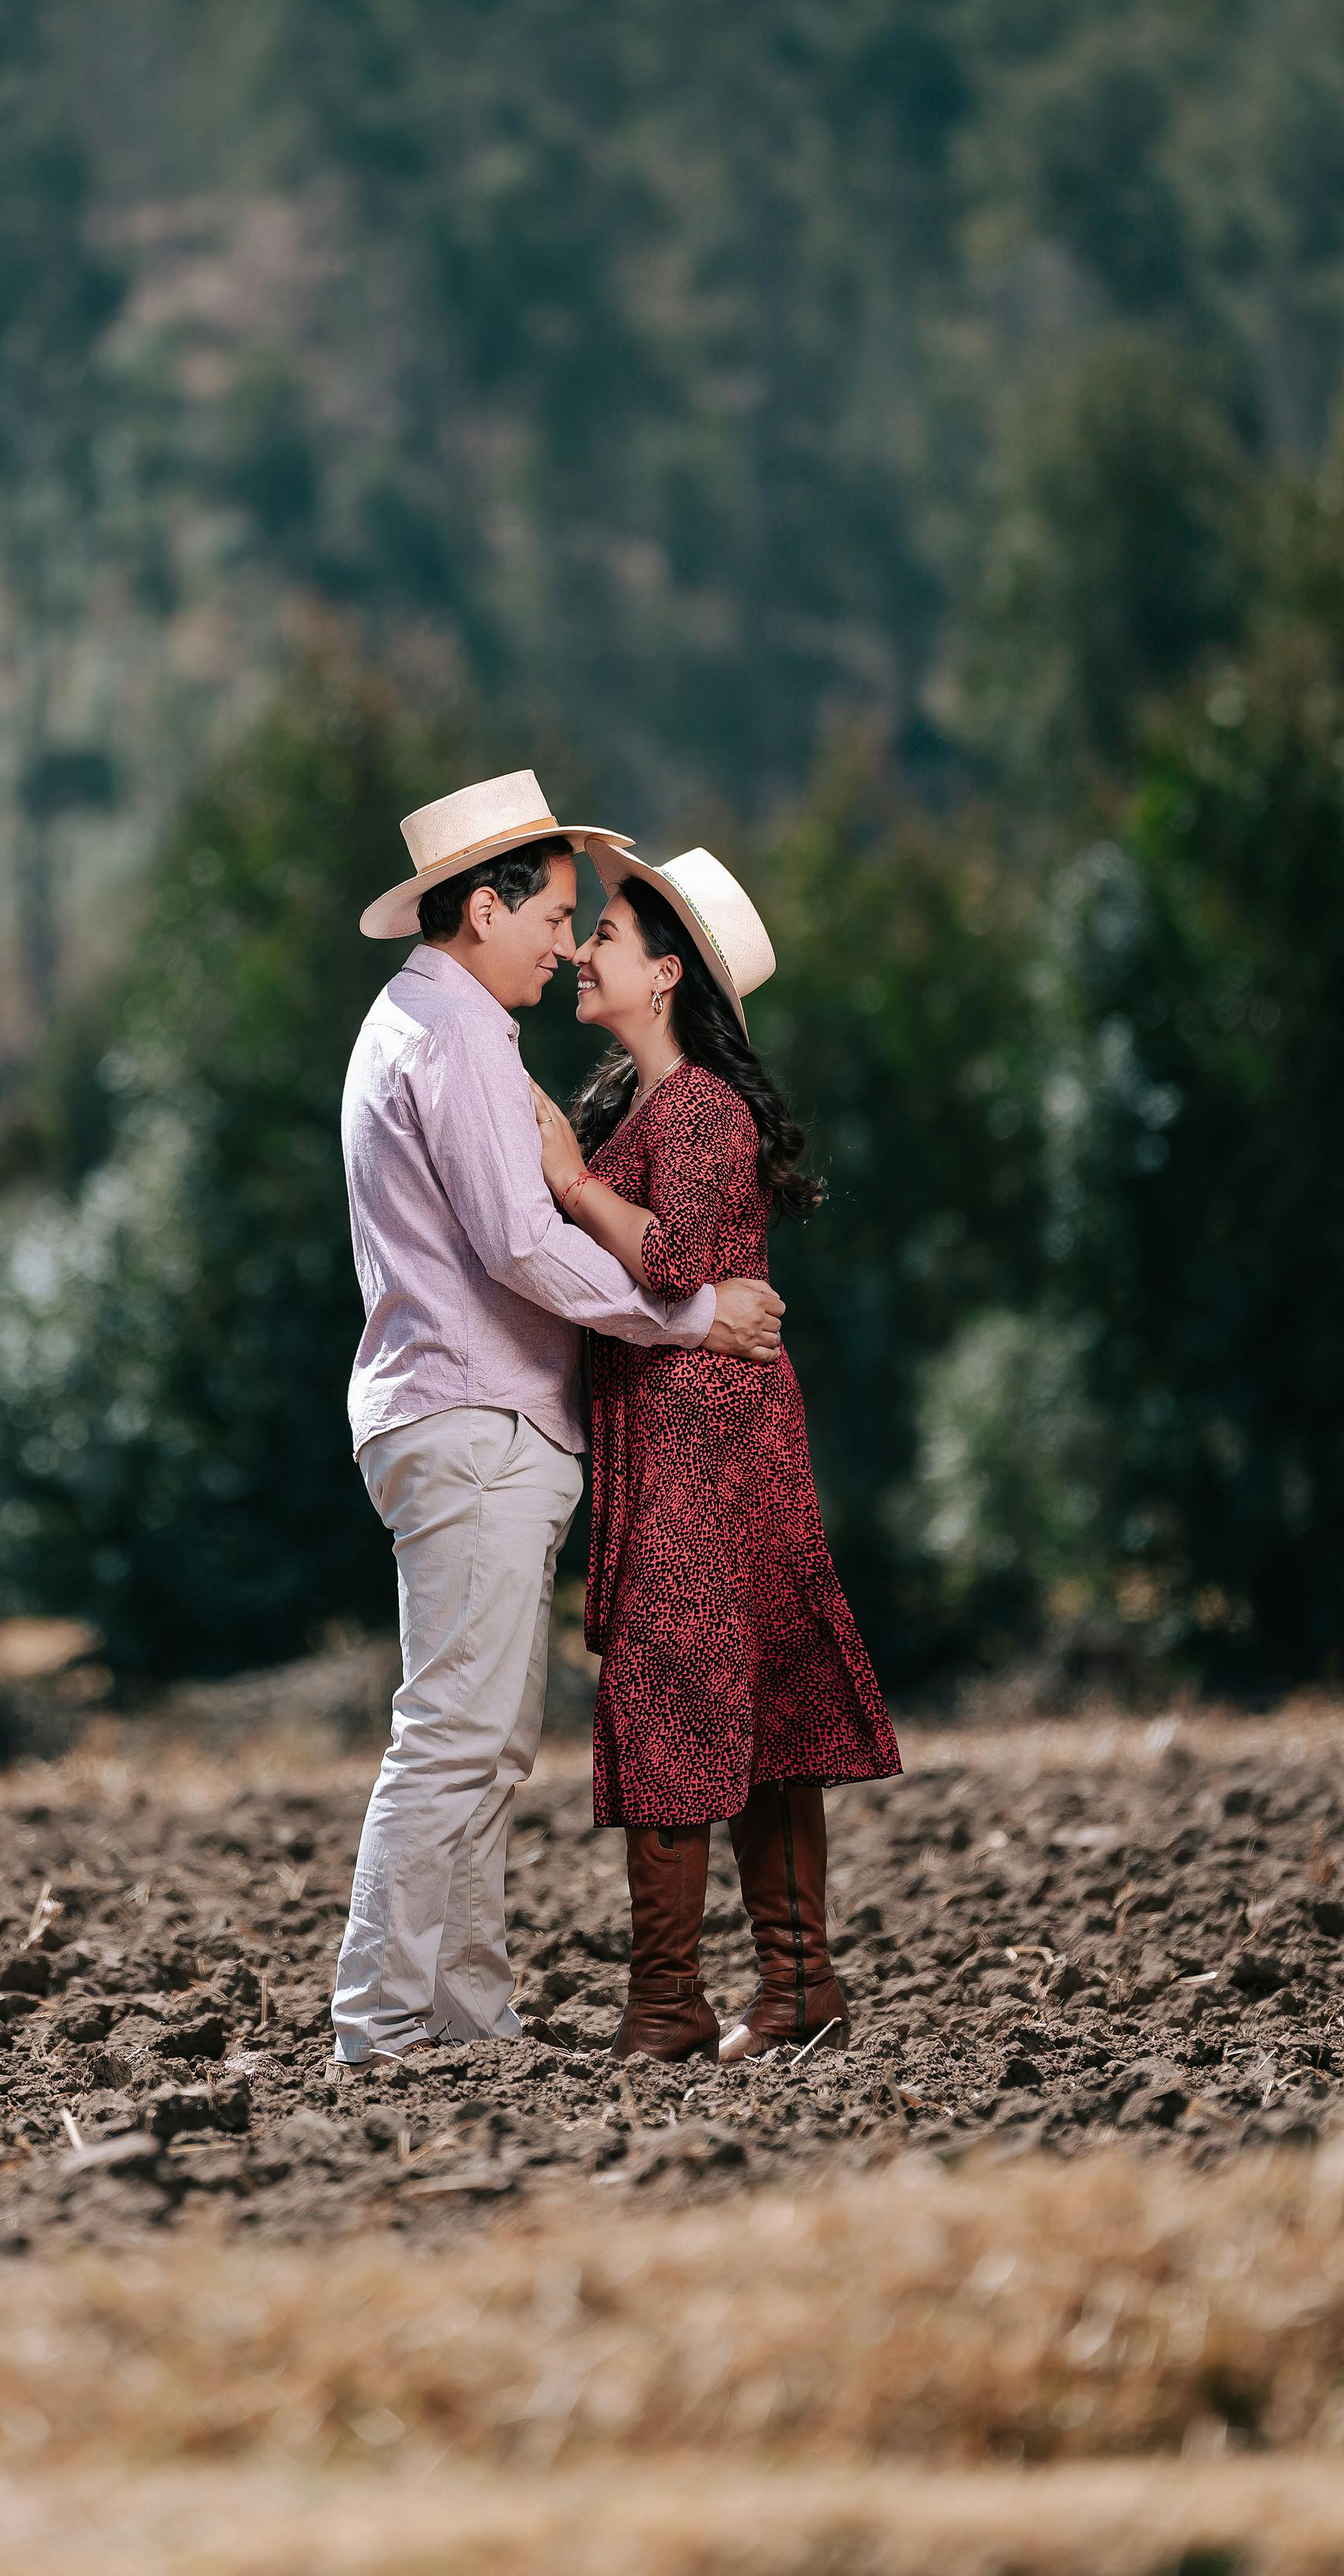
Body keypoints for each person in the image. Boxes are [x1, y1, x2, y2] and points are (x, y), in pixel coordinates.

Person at [331, 772, 788, 2066]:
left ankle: (468, 2020)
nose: (562, 944)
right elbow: (522, 1244)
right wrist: (695, 1316)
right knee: (457, 1739)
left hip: (447, 1414)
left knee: (480, 1743)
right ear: (484, 909)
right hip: (476, 1416)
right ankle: (382, 2021)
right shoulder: (461, 1037)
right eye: (550, 918)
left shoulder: (415, 1023)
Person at [530, 845, 901, 2064]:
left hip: (707, 1433)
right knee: (743, 1691)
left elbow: (676, 1259)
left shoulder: (699, 1109)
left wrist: (573, 1183)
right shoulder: (653, 1106)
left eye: (606, 937)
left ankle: (677, 2001)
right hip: (698, 1424)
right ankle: (793, 1986)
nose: (582, 951)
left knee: (681, 1687)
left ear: (666, 974)